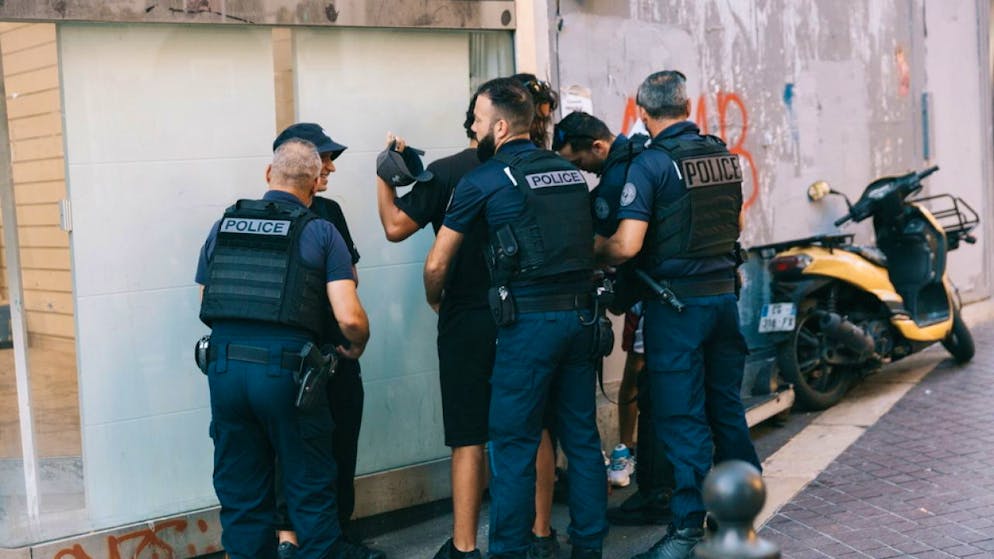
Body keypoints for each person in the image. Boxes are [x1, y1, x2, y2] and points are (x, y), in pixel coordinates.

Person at [424, 77, 608, 559]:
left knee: (513, 443)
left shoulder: (482, 179)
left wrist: (436, 299)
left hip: (528, 326)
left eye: (479, 121)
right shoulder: (569, 173)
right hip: (581, 321)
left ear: (500, 127)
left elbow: (437, 262)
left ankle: (511, 550)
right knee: (582, 440)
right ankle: (588, 548)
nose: (475, 129)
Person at [593, 71, 760, 559]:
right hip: (723, 300)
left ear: (643, 112)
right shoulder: (723, 155)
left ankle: (686, 530)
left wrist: (590, 246)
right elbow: (737, 225)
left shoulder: (651, 165)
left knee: (682, 416)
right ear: (687, 105)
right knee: (726, 408)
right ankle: (742, 519)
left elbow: (626, 245)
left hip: (676, 306)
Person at [196, 139, 382, 559]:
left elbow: (206, 298)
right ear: (316, 183)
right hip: (287, 373)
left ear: (268, 174)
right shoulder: (320, 231)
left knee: (241, 493)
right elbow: (349, 317)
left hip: (224, 368)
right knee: (309, 487)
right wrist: (355, 345)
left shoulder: (224, 224)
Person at [552, 112, 674, 525]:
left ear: (598, 147)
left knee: (653, 394)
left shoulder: (619, 176)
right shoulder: (649, 155)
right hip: (678, 293)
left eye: (578, 162)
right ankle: (666, 491)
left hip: (657, 297)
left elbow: (616, 246)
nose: (579, 171)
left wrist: (590, 252)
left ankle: (659, 495)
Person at [267, 124, 372, 558]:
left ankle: (336, 536)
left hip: (335, 354)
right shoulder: (267, 214)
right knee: (289, 451)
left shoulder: (330, 213)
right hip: (294, 356)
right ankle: (288, 538)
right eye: (324, 158)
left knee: (340, 444)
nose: (330, 167)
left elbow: (353, 277)